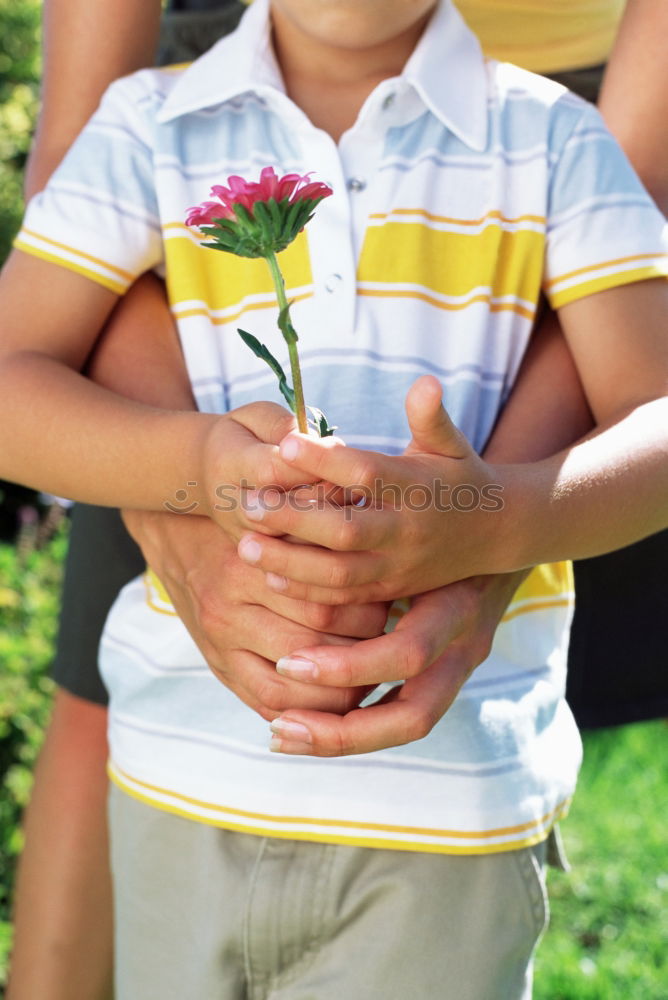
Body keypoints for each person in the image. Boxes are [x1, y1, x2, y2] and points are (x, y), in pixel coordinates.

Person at [1, 4, 666, 999]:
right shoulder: (147, 126)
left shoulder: (551, 138)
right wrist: (195, 465)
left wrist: (505, 515)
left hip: (445, 820)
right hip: (181, 791)